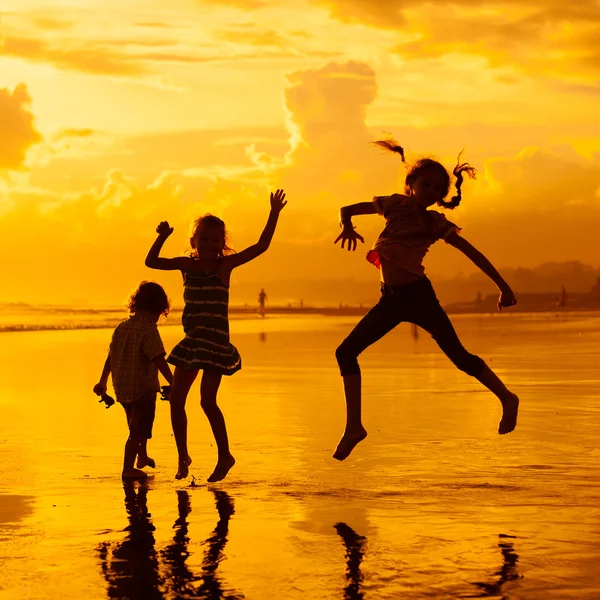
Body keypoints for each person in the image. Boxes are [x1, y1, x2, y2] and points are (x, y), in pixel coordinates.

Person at [332, 139, 519, 461]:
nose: (431, 190)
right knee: (346, 352)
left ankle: (507, 398)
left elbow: (472, 253)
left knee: (460, 358)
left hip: (419, 297)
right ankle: (354, 428)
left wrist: (503, 286)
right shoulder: (393, 205)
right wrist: (346, 226)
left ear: (442, 194)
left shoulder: (436, 223)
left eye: (437, 187)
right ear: (410, 185)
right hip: (389, 300)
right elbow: (346, 208)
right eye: (425, 184)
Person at [145, 189, 287, 481]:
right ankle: (183, 457)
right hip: (193, 341)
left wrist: (274, 213)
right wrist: (161, 237)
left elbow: (261, 246)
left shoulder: (225, 266)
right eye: (203, 239)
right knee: (176, 400)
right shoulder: (187, 266)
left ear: (223, 244)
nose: (209, 244)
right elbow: (152, 262)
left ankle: (225, 455)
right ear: (193, 242)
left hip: (215, 344)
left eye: (215, 240)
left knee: (208, 401)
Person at [93, 281, 173, 478]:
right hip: (143, 386)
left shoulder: (122, 327)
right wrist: (174, 382)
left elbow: (111, 356)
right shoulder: (148, 329)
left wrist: (102, 381)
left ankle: (142, 456)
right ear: (157, 308)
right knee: (138, 429)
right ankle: (127, 469)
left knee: (136, 423)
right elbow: (158, 358)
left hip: (122, 386)